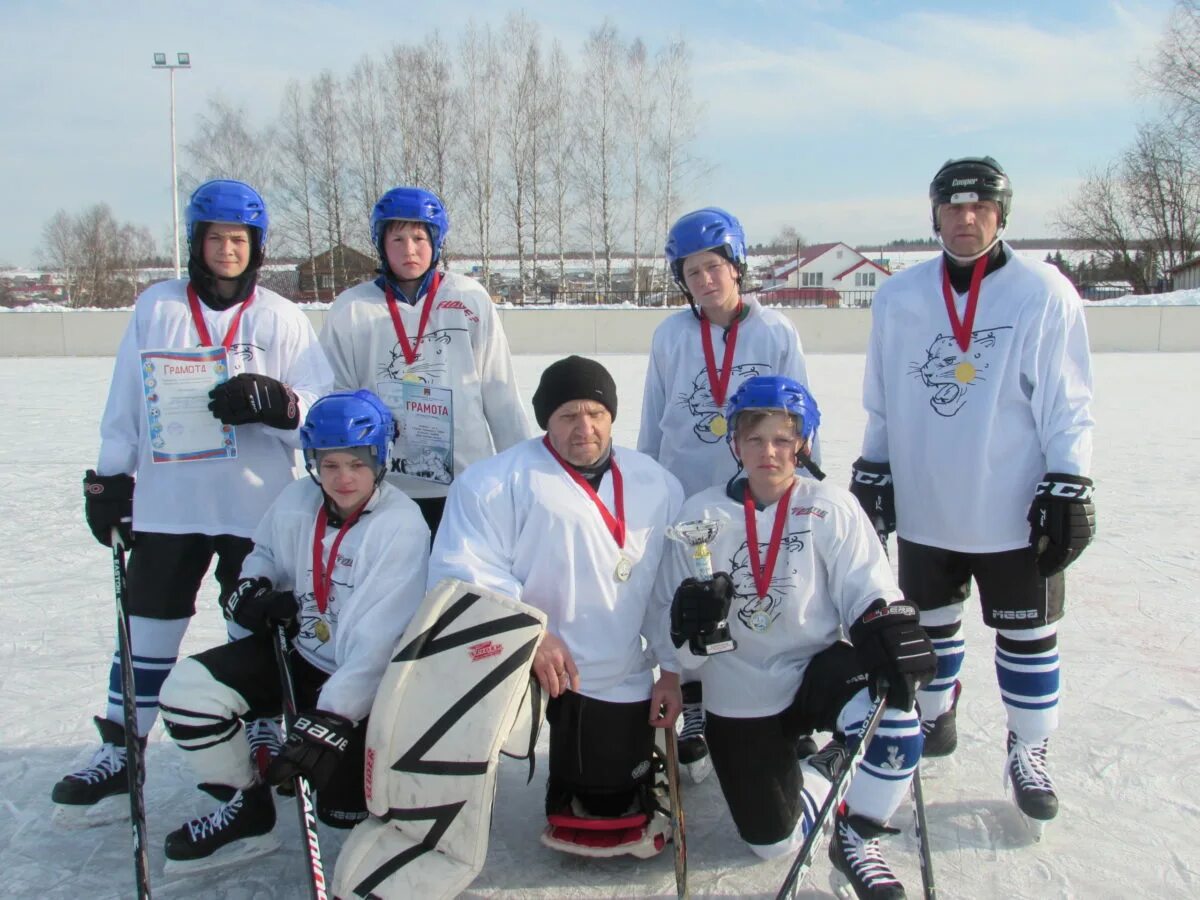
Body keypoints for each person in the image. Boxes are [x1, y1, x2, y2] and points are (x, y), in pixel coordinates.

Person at [52, 179, 333, 824]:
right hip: (169, 503)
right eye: (216, 238)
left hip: (253, 506)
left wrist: (281, 404)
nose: (227, 250)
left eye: (239, 239)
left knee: (253, 622)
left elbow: (321, 410)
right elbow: (125, 402)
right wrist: (110, 480)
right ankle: (123, 745)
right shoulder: (156, 307)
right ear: (195, 243)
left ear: (256, 247)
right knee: (148, 624)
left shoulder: (281, 319)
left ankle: (261, 728)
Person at [850, 156, 1095, 833]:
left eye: (980, 206)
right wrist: (875, 468)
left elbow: (1069, 402)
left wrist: (1070, 479)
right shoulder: (899, 297)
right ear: (934, 215)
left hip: (1014, 513)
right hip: (929, 505)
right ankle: (937, 715)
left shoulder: (1044, 292)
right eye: (953, 207)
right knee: (930, 630)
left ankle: (1029, 749)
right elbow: (883, 400)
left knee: (1029, 640)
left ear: (1001, 213)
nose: (965, 219)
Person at [659, 375, 935, 899]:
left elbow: (866, 585)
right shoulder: (701, 514)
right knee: (772, 843)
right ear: (734, 443)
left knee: (896, 715)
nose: (769, 452)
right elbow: (668, 626)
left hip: (814, 667)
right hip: (738, 687)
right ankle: (822, 773)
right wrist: (686, 630)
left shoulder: (830, 505)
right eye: (755, 438)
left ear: (803, 443)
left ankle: (856, 836)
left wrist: (889, 625)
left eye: (783, 439)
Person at [157, 390, 430, 870]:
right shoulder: (299, 498)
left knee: (342, 813)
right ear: (312, 463)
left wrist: (332, 719)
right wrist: (252, 590)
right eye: (329, 465)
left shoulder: (401, 526)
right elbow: (263, 553)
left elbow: (377, 644)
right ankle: (248, 806)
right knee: (188, 692)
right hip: (298, 655)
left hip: (362, 687)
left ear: (380, 460)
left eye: (356, 464)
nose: (343, 478)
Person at [428, 355, 685, 860]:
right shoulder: (494, 482)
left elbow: (667, 588)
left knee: (605, 806)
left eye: (595, 413)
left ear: (612, 416)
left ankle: (601, 766)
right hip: (516, 660)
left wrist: (671, 670)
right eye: (568, 415)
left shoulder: (656, 482)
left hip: (609, 671)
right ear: (546, 419)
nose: (583, 428)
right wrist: (530, 634)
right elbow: (463, 571)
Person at [638, 207, 820, 780]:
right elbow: (653, 415)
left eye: (713, 266)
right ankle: (694, 704)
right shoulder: (670, 334)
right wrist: (644, 483)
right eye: (691, 272)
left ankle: (790, 712)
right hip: (689, 490)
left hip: (759, 487)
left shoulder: (775, 331)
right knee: (692, 599)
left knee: (766, 591)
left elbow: (802, 409)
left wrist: (809, 474)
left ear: (737, 266)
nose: (705, 280)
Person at [319, 186, 534, 538]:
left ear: (437, 241)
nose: (409, 250)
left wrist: (521, 469)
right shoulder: (352, 307)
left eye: (419, 237)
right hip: (386, 486)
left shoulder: (468, 298)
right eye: (398, 238)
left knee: (459, 588)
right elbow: (337, 394)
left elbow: (500, 391)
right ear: (380, 243)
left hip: (464, 482)